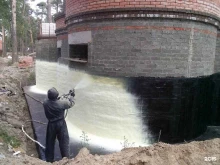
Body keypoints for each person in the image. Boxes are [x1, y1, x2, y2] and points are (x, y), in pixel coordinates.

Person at [43, 87, 75, 162]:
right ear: (56, 96)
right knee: (64, 142)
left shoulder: (45, 103)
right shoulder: (62, 103)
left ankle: (49, 160)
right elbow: (70, 103)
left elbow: (53, 101)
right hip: (61, 124)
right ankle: (66, 159)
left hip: (51, 124)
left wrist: (60, 98)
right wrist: (72, 96)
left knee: (50, 143)